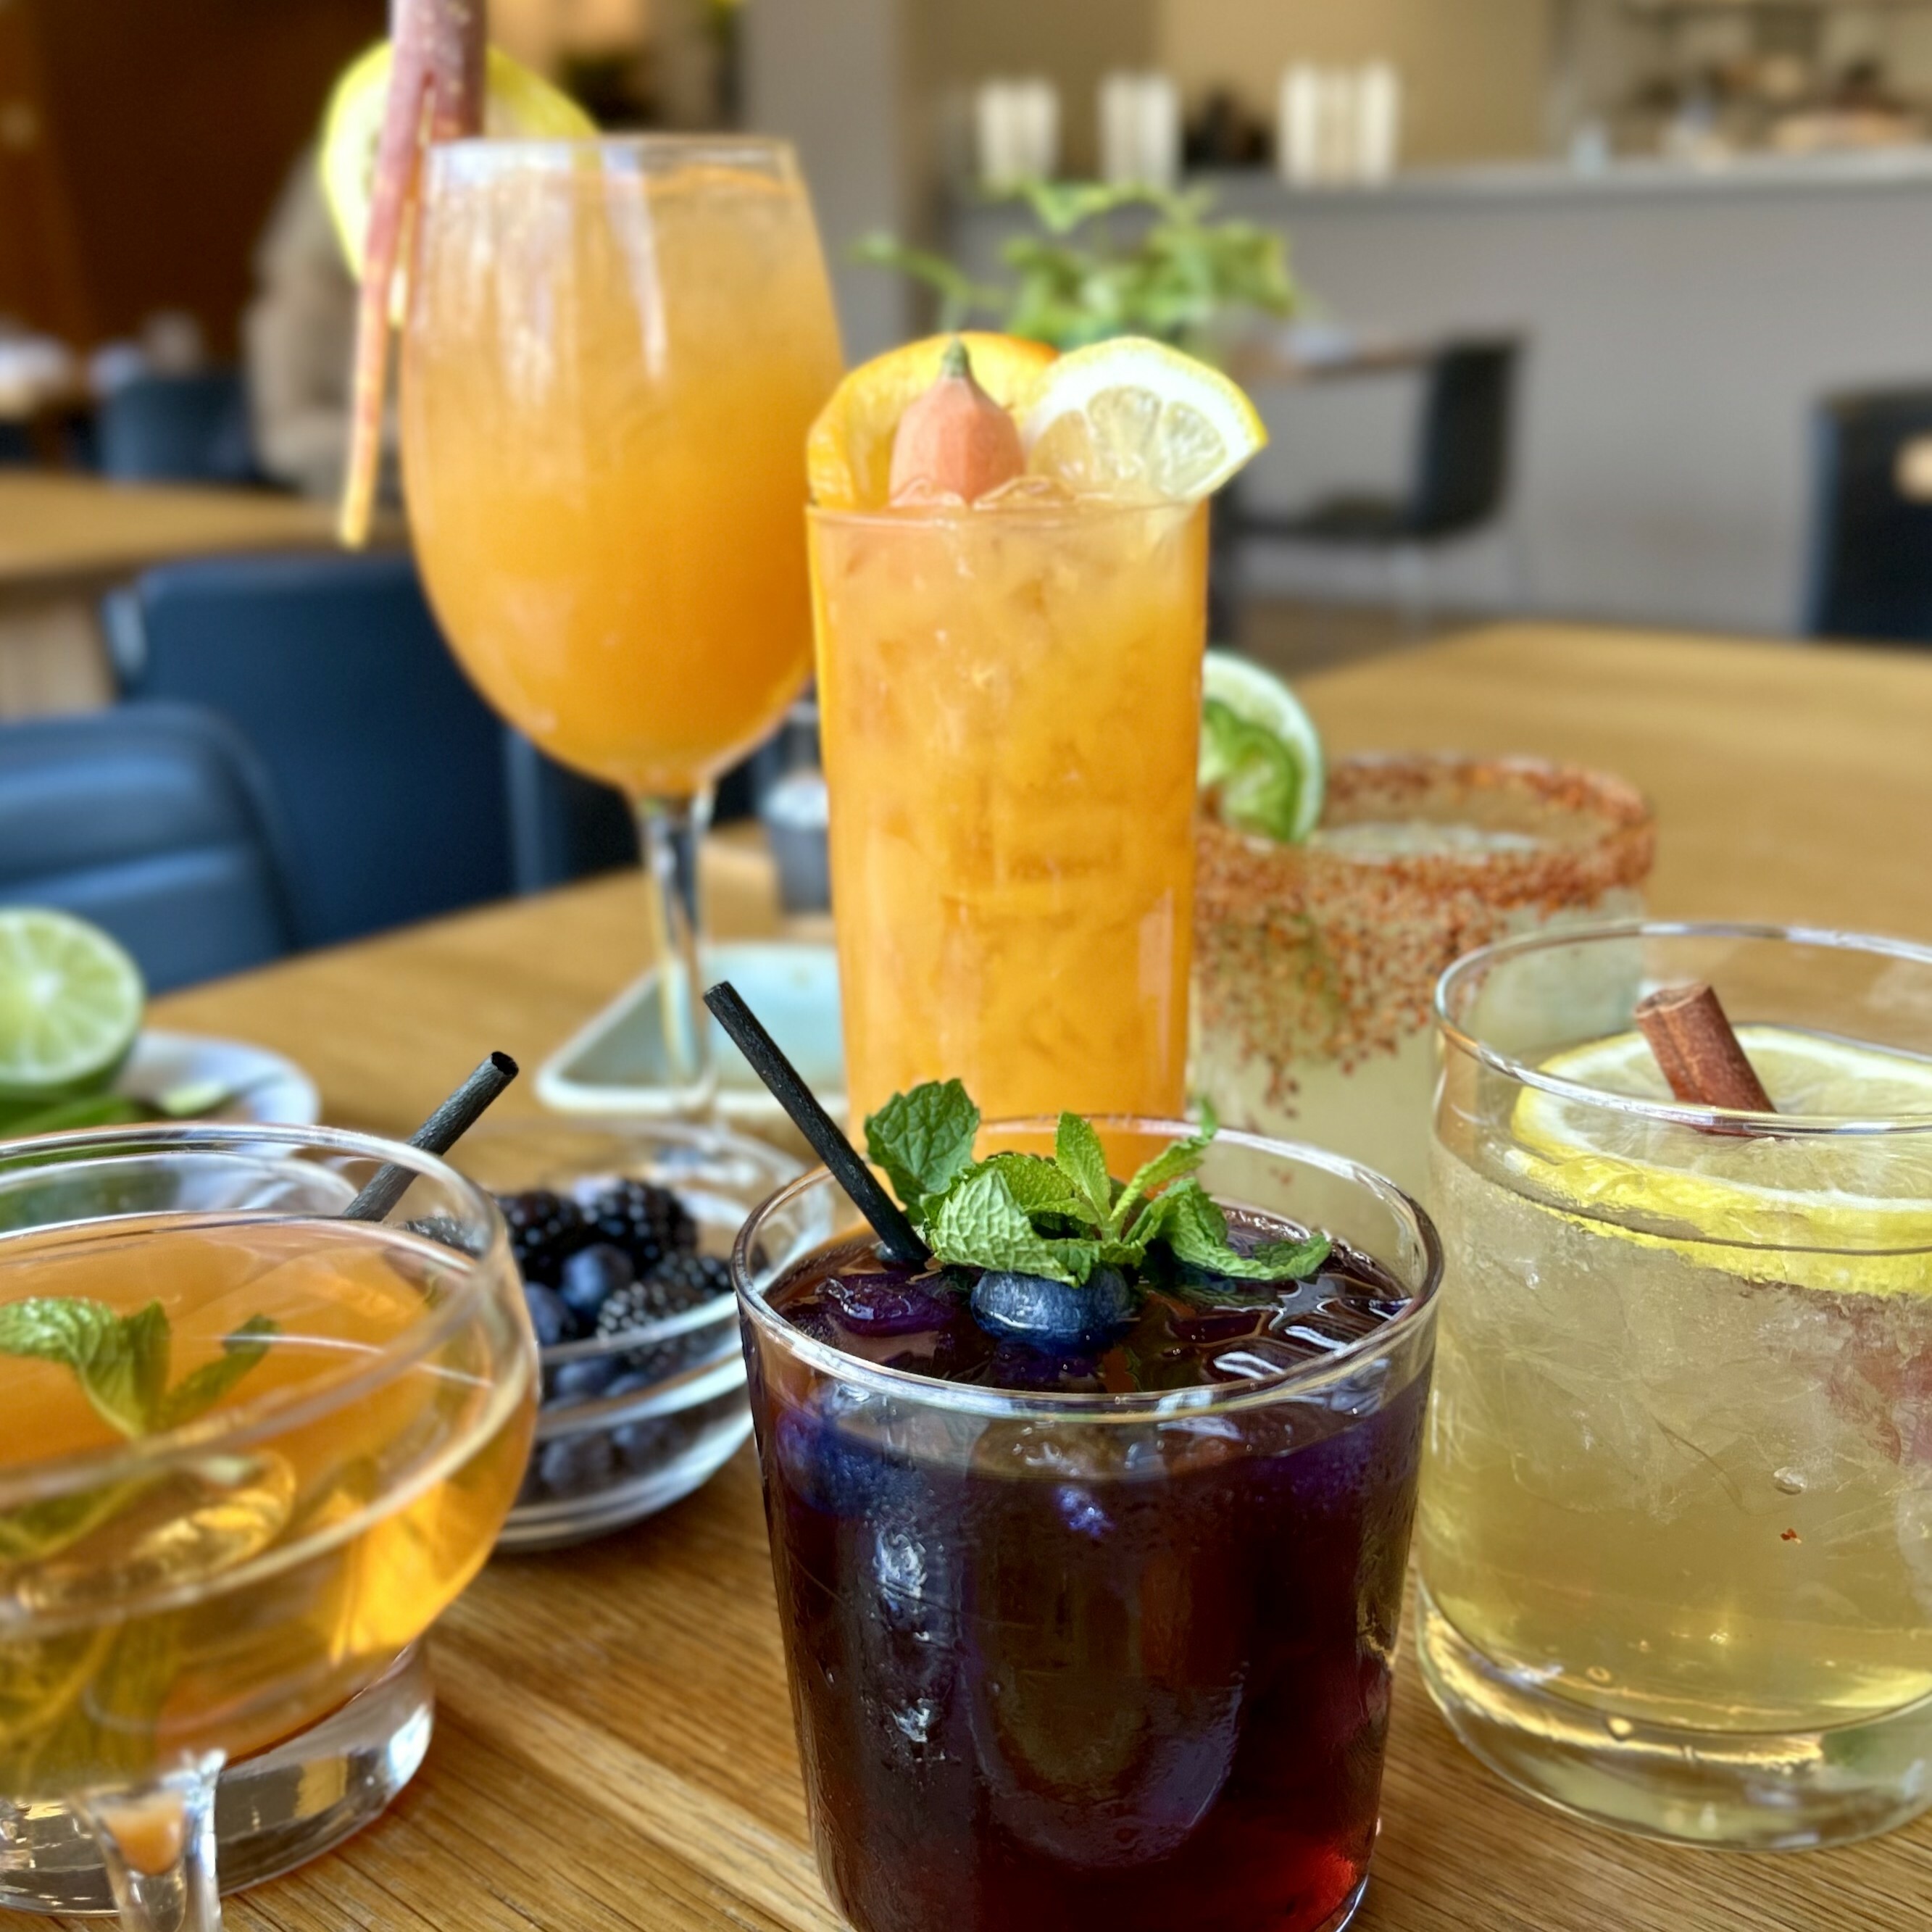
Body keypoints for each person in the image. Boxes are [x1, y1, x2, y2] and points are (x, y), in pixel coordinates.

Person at [243, 145, 398, 504]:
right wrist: (405, 431)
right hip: (339, 503)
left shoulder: (422, 299)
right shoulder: (288, 315)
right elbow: (281, 443)